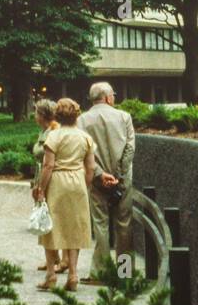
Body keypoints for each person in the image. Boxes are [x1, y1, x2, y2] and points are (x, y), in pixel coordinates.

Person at [77, 81, 135, 284]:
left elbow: (84, 152)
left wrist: (101, 175)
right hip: (122, 180)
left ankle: (100, 273)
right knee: (124, 224)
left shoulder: (82, 120)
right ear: (109, 98)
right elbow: (130, 148)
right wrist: (118, 175)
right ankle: (125, 272)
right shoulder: (124, 117)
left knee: (100, 225)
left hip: (96, 180)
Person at [34, 98, 94, 291]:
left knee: (51, 227)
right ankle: (73, 275)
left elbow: (48, 165)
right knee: (74, 228)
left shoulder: (54, 136)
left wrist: (41, 189)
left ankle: (51, 275)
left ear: (58, 115)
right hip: (77, 181)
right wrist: (84, 184)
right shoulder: (85, 137)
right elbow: (90, 167)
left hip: (58, 182)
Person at [30, 99, 66, 274]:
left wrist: (41, 187)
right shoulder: (44, 130)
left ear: (42, 115)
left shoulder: (54, 130)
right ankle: (52, 258)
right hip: (41, 176)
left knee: (53, 219)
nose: (34, 115)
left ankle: (62, 261)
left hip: (51, 179)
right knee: (45, 217)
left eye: (36, 112)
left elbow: (49, 162)